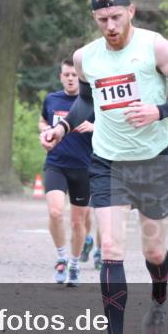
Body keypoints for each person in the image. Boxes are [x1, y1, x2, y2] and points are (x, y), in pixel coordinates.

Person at [41, 0, 168, 334]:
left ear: (131, 11)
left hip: (153, 163)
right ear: (94, 19)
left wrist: (158, 111)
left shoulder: (155, 47)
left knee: (154, 252)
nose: (110, 26)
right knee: (111, 248)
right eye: (102, 20)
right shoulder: (86, 57)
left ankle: (159, 302)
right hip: (108, 163)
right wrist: (62, 128)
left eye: (116, 17)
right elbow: (86, 101)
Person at [38, 59, 95, 287]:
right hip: (56, 164)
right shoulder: (52, 99)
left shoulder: (91, 101)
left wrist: (94, 127)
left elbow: (112, 127)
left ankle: (74, 264)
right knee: (55, 212)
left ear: (81, 78)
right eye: (66, 74)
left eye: (74, 75)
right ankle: (61, 258)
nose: (71, 78)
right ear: (61, 76)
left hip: (83, 167)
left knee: (77, 222)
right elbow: (43, 120)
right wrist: (46, 130)